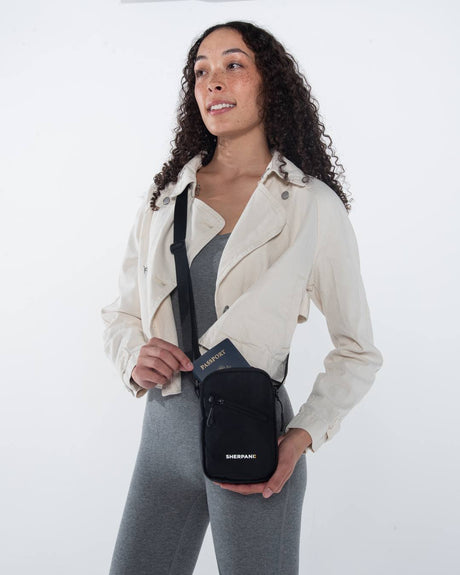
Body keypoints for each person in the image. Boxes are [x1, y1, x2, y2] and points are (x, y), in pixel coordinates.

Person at [101, 20, 383, 575]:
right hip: (161, 442)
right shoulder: (165, 199)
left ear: (269, 83)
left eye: (234, 65)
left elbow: (357, 351)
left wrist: (300, 436)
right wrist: (134, 355)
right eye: (201, 71)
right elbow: (122, 314)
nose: (213, 82)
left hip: (256, 445)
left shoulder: (311, 204)